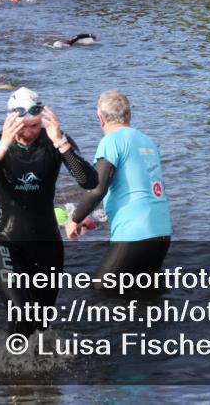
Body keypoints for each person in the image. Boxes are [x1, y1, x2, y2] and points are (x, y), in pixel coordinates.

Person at [0, 88, 97, 336]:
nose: (28, 133)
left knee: (41, 323)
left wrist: (60, 142)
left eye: (34, 126)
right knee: (21, 312)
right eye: (22, 127)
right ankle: (12, 368)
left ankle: (31, 368)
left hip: (47, 244)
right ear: (10, 121)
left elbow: (89, 182)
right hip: (5, 240)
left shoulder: (54, 139)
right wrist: (3, 145)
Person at [66, 91, 171, 296]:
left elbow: (98, 188)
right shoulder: (148, 141)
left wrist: (74, 219)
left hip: (135, 232)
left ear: (100, 118)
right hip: (162, 230)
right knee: (149, 298)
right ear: (129, 115)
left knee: (100, 291)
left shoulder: (111, 141)